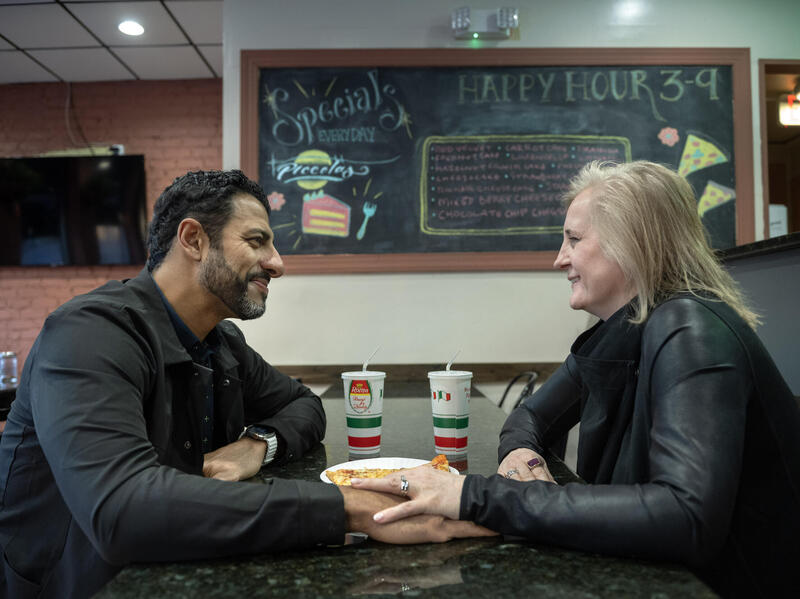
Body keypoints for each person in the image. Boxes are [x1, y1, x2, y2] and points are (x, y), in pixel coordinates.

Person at [0, 169, 489, 598]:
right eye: (257, 241)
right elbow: (122, 511)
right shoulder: (88, 333)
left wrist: (259, 443)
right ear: (193, 240)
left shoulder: (220, 341)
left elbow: (303, 406)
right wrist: (349, 508)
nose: (278, 263)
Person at [353, 160, 800, 598]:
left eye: (573, 239)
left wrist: (472, 494)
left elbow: (686, 517)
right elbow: (529, 416)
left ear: (632, 242)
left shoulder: (690, 328)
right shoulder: (617, 332)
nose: (559, 259)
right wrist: (522, 457)